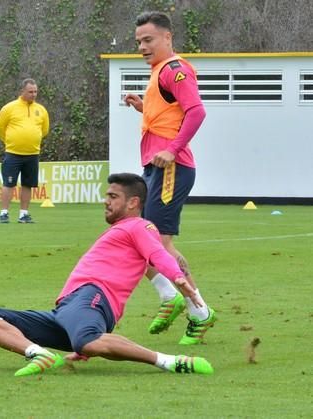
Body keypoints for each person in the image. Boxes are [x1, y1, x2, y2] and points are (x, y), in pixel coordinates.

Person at [0, 173, 214, 377]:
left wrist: (177, 277)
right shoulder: (119, 231)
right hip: (66, 313)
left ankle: (170, 361)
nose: (105, 201)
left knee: (88, 340)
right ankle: (40, 354)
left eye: (113, 196)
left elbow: (157, 253)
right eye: (107, 195)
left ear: (133, 203)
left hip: (93, 297)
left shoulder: (139, 226)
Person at [124, 11, 216, 344]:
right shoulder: (158, 73)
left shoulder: (175, 70)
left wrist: (174, 150)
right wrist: (141, 107)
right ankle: (188, 304)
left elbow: (197, 111)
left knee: (154, 243)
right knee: (141, 238)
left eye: (148, 40)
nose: (142, 47)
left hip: (171, 167)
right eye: (138, 42)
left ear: (167, 37)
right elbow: (170, 114)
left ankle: (188, 305)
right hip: (157, 167)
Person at [0, 78, 49, 223]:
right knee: (9, 183)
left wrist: (32, 139)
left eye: (35, 91)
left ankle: (23, 214)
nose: (33, 94)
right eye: (30, 92)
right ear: (22, 91)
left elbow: (44, 130)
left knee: (28, 184)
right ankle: (4, 213)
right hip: (13, 153)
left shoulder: (41, 110)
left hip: (32, 154)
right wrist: (9, 141)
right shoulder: (9, 108)